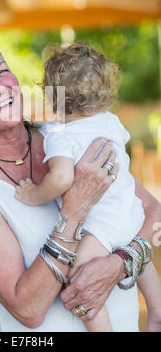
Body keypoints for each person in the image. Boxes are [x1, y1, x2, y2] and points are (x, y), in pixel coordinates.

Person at [0, 29, 161, 332]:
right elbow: (28, 309)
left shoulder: (68, 135)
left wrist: (122, 262)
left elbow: (152, 211)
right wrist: (73, 211)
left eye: (1, 72)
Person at [15, 42, 161, 332]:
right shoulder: (112, 122)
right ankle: (157, 309)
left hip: (101, 227)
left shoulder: (61, 136)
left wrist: (32, 194)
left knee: (79, 279)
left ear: (52, 95)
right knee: (140, 259)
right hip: (130, 214)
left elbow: (60, 179)